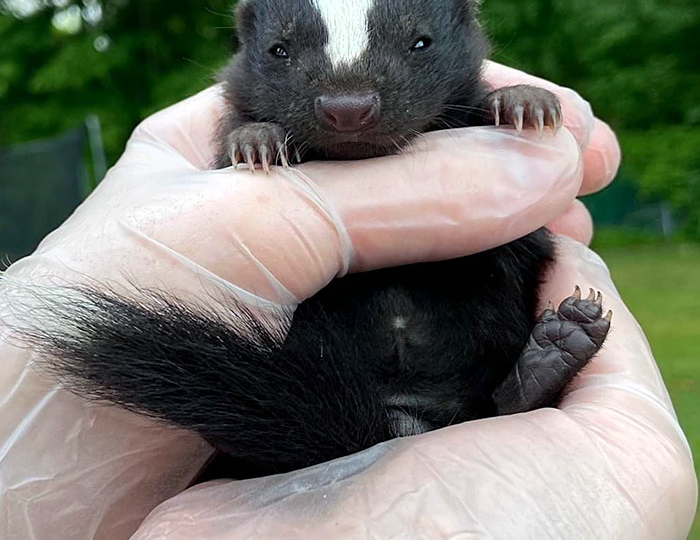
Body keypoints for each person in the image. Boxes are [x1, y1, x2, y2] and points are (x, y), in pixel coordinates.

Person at [0, 62, 696, 540]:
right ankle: (505, 404)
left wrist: (506, 115)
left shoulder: (471, 113)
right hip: (325, 384)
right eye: (287, 55)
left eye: (414, 47)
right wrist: (248, 142)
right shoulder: (254, 137)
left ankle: (509, 399)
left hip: (464, 360)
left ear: (459, 36)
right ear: (251, 52)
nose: (348, 102)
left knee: (527, 253)